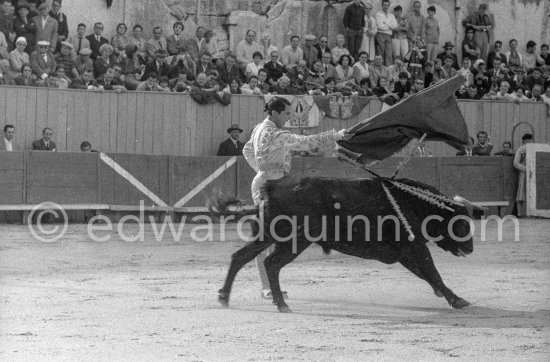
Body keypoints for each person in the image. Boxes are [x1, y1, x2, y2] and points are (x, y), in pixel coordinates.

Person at [242, 97, 351, 299]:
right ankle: (267, 286)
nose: (289, 117)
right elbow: (305, 142)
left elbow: (247, 149)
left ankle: (268, 285)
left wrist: (261, 170)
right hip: (272, 185)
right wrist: (335, 135)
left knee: (275, 233)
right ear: (274, 113)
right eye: (286, 114)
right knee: (268, 235)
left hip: (270, 182)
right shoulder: (275, 134)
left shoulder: (258, 129)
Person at [514, 133, 533, 217]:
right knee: (521, 194)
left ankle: (530, 214)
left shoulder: (534, 149)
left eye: (530, 139)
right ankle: (520, 214)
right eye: (527, 139)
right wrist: (527, 169)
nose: (529, 141)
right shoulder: (521, 150)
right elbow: (516, 163)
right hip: (524, 174)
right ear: (524, 141)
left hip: (533, 175)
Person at [375, 0, 397, 66]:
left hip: (389, 35)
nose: (386, 6)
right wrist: (390, 26)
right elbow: (380, 26)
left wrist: (386, 23)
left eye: (387, 5)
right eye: (384, 5)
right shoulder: (378, 14)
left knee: (389, 54)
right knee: (381, 53)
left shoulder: (391, 15)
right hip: (380, 35)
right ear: (382, 5)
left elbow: (395, 25)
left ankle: (388, 69)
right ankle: (381, 69)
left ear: (389, 6)